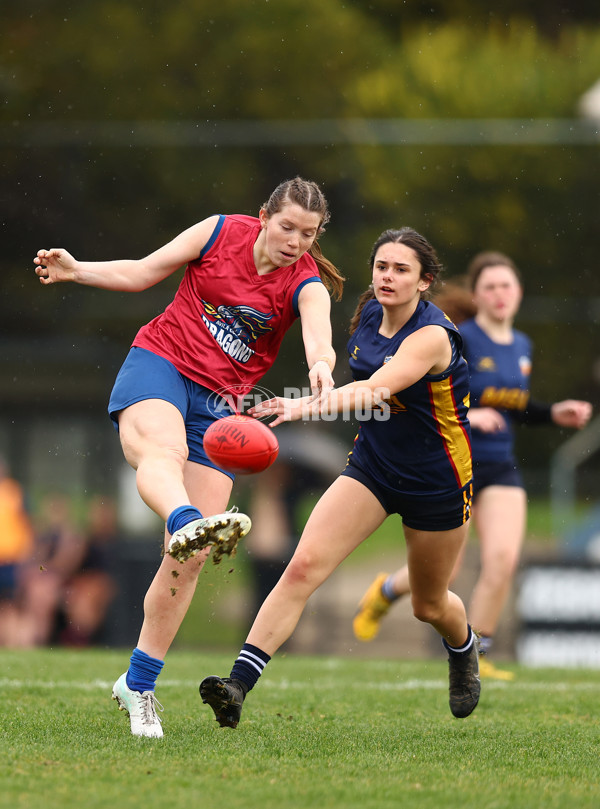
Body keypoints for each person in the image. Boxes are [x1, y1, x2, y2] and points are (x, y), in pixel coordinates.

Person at [33, 177, 345, 738]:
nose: (296, 241)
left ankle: (138, 684)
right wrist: (77, 269)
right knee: (164, 451)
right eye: (287, 227)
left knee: (191, 560)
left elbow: (318, 334)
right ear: (264, 217)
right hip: (161, 362)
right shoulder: (219, 231)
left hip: (220, 406)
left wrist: (321, 365)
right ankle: (183, 520)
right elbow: (143, 271)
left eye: (309, 233)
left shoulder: (307, 283)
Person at [199, 226, 480, 729]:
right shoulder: (370, 315)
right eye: (381, 266)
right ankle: (237, 685)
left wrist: (303, 405)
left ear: (424, 282)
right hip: (372, 468)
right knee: (302, 567)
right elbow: (355, 381)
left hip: (437, 483)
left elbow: (374, 390)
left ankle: (463, 647)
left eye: (401, 270)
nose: (387, 277)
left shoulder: (434, 335)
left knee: (428, 603)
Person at [352, 251, 593, 680]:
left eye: (507, 286)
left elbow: (511, 404)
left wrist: (552, 412)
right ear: (476, 295)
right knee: (447, 572)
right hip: (451, 465)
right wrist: (471, 414)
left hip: (499, 465)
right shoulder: (456, 335)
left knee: (502, 557)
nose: (500, 294)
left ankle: (479, 654)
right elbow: (437, 395)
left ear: (519, 292)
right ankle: (386, 590)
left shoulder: (522, 346)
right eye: (490, 287)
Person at [0, 457, 34, 647]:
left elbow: (27, 525)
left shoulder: (14, 491)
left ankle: (12, 642)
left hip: (11, 560)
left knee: (10, 604)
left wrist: (25, 556)